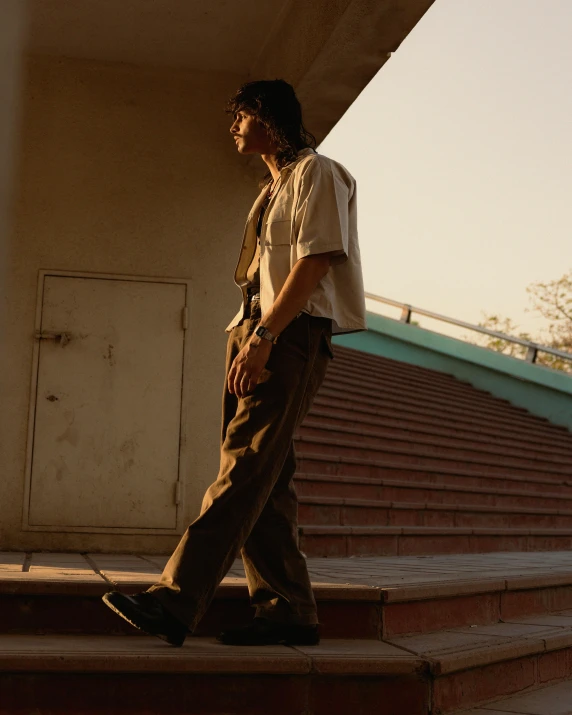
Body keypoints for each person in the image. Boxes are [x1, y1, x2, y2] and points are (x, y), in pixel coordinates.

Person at [102, 79, 366, 647]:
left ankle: (175, 600)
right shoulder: (273, 187)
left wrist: (266, 335)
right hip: (254, 330)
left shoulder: (319, 173)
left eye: (240, 115)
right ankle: (288, 610)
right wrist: (249, 332)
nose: (233, 127)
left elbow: (316, 261)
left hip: (287, 333)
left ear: (268, 117)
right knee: (265, 478)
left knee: (245, 467)